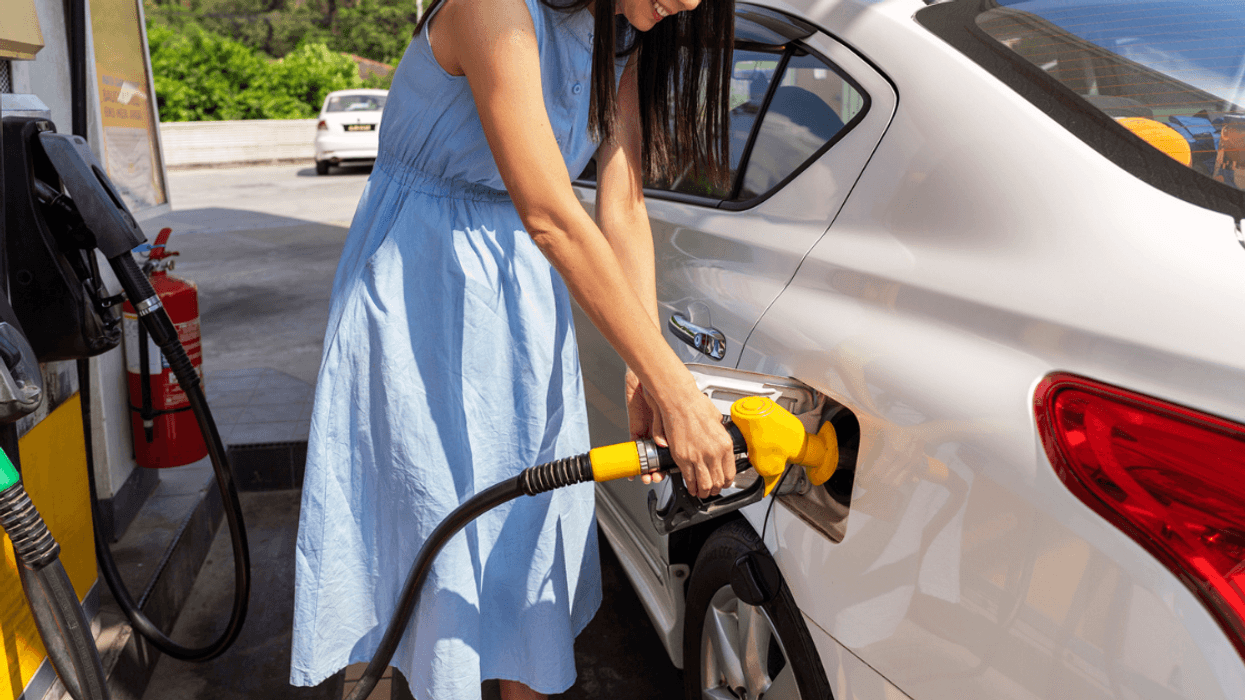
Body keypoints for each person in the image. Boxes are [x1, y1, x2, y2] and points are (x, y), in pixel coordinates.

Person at [289, 0, 737, 697]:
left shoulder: (619, 33)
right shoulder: (493, 6)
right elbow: (551, 213)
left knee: (523, 538)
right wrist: (673, 386)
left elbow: (623, 207)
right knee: (416, 521)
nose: (687, 2)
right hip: (422, 284)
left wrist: (645, 371)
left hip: (523, 300)